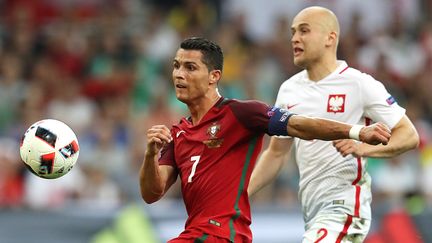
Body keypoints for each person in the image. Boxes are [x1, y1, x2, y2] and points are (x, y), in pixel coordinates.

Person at [139, 37, 391, 243]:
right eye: (176, 66)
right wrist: (150, 154)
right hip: (198, 233)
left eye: (190, 67)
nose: (179, 74)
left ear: (214, 76)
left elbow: (299, 124)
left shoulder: (240, 113)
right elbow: (152, 193)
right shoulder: (178, 133)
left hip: (222, 234)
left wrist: (355, 132)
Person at [247, 6, 420, 243]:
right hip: (312, 212)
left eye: (304, 31)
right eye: (293, 32)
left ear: (330, 38)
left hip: (345, 207)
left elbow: (409, 135)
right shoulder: (289, 90)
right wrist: (242, 195)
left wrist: (365, 149)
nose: (294, 38)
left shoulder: (358, 83)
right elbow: (276, 153)